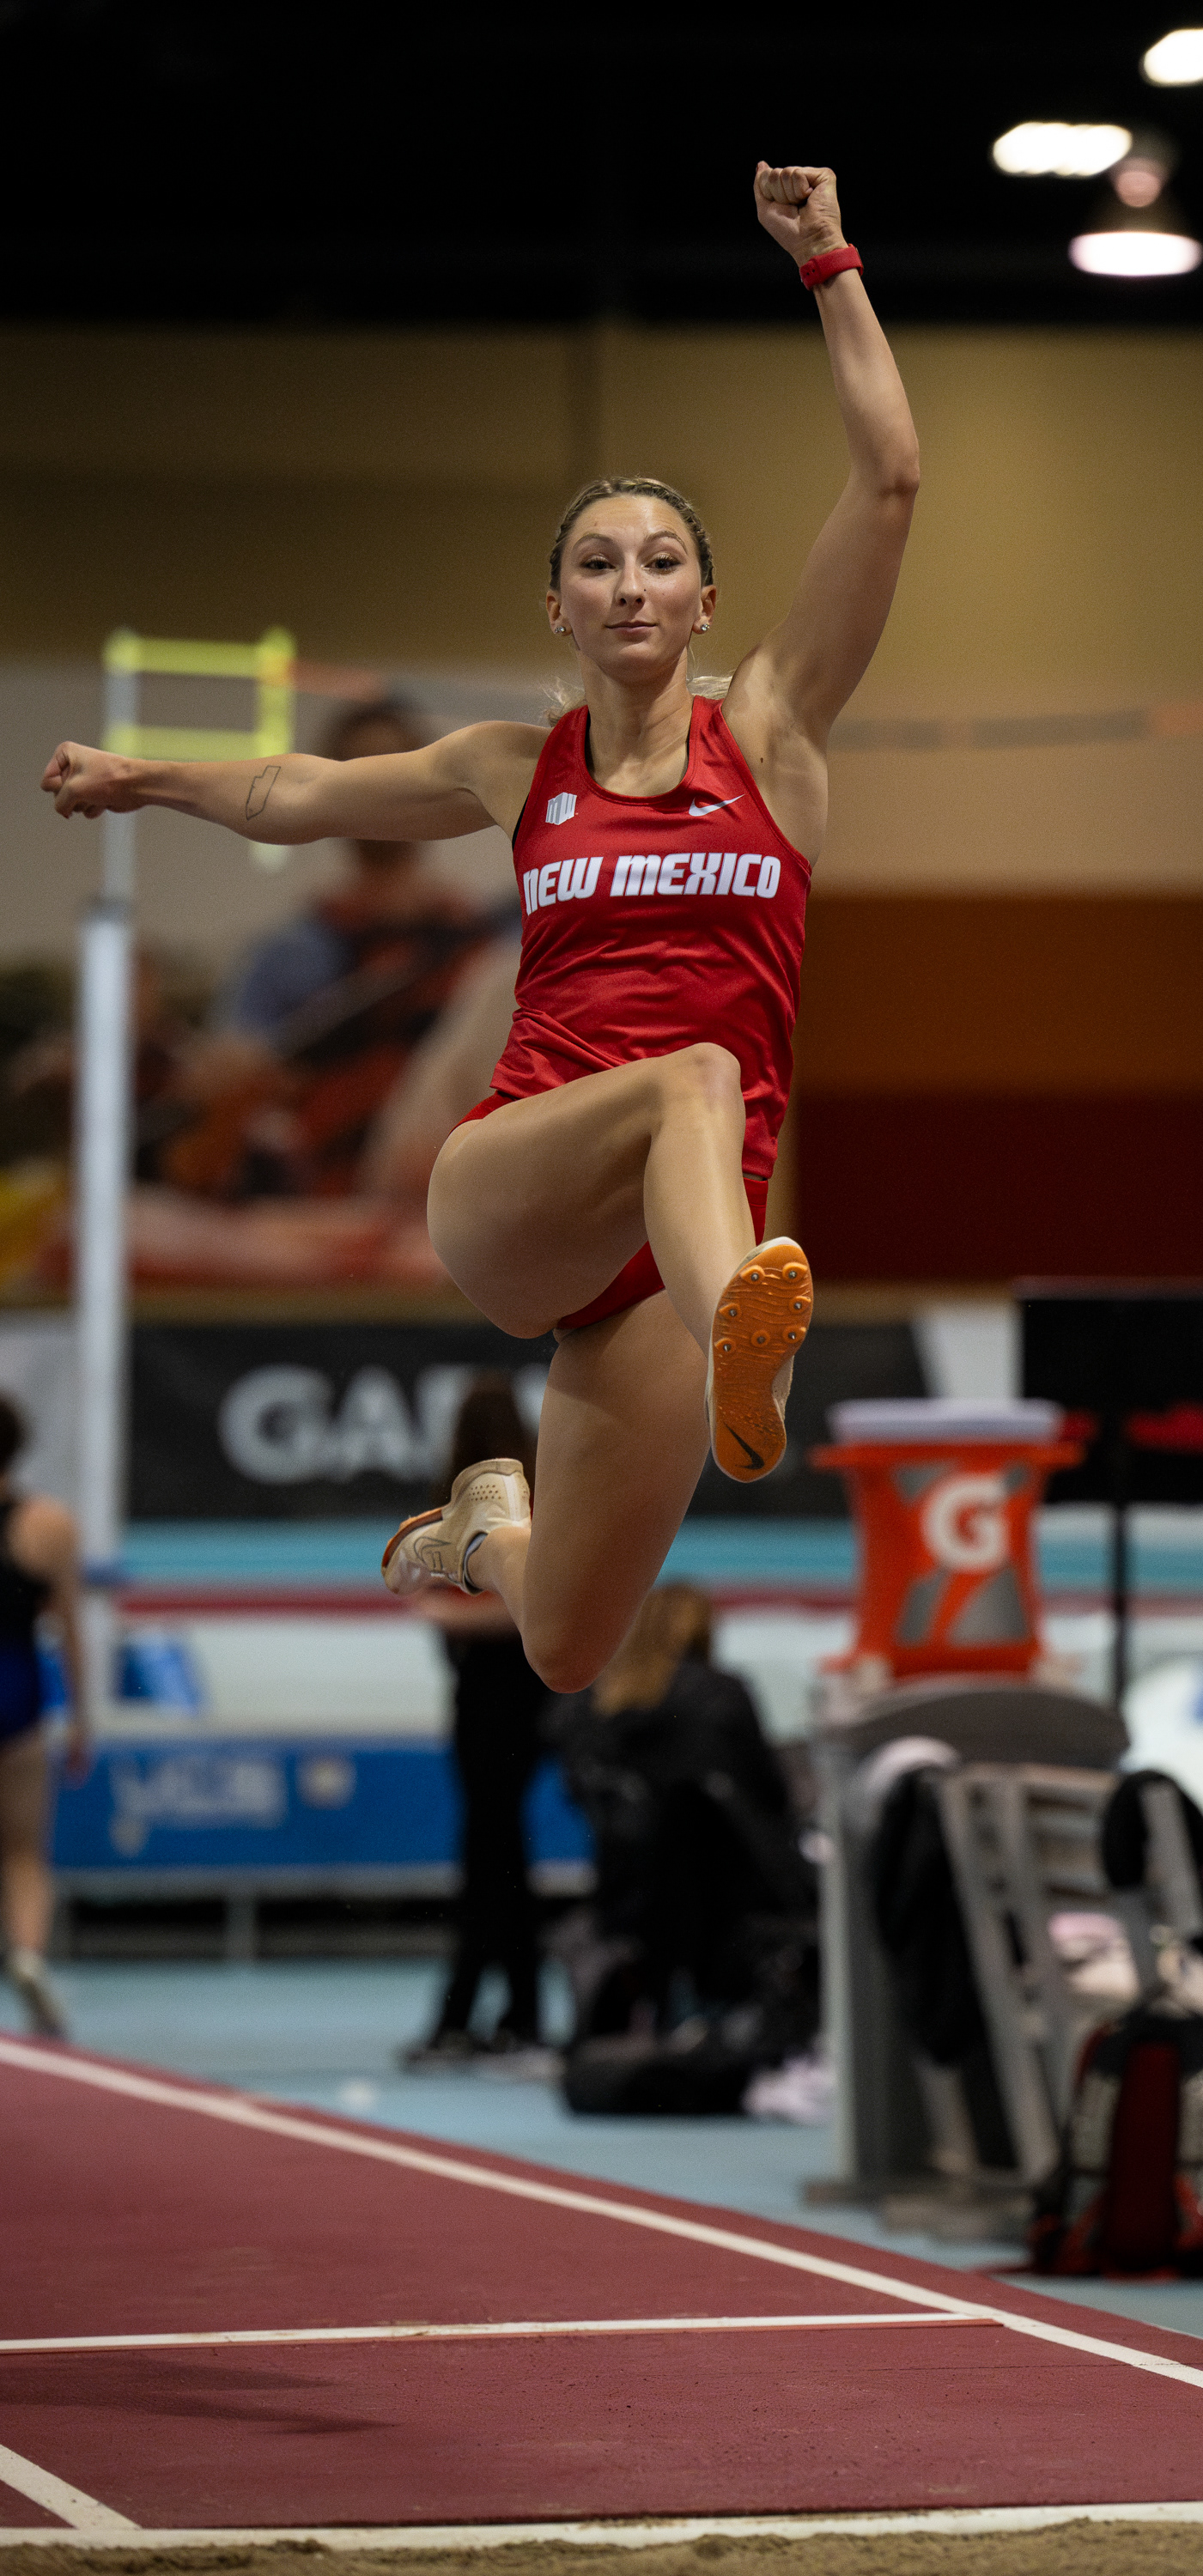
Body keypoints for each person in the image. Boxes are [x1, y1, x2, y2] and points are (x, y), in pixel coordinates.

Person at [41, 162, 919, 1694]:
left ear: (706, 602)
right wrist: (147, 778)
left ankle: (480, 1529)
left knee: (568, 1645)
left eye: (660, 562)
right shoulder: (517, 768)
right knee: (695, 1076)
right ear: (557, 610)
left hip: (672, 1254)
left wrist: (828, 262)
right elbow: (298, 791)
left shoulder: (774, 740)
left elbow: (891, 480)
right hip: (518, 1185)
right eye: (598, 565)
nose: (630, 585)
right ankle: (743, 1328)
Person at [164, 699, 509, 1200]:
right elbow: (227, 1075)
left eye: (398, 768)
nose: (380, 788)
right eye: (358, 771)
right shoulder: (289, 955)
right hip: (337, 1186)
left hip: (467, 1176)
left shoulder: (485, 941)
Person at [547, 1583, 811, 2047]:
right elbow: (771, 1795)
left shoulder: (586, 1706)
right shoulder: (721, 1695)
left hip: (626, 1895)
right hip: (732, 1897)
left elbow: (577, 1792)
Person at [403, 1373, 550, 2067]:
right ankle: (511, 2011)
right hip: (510, 1693)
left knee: (491, 1854)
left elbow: (526, 1604)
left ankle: (474, 2011)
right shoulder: (509, 1501)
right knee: (498, 1852)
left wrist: (442, 1612)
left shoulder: (506, 1507)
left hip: (498, 1694)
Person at [0, 1393, 87, 2038]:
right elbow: (70, 1630)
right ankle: (28, 1954)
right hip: (17, 1693)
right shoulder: (48, 1524)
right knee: (25, 1852)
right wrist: (82, 1717)